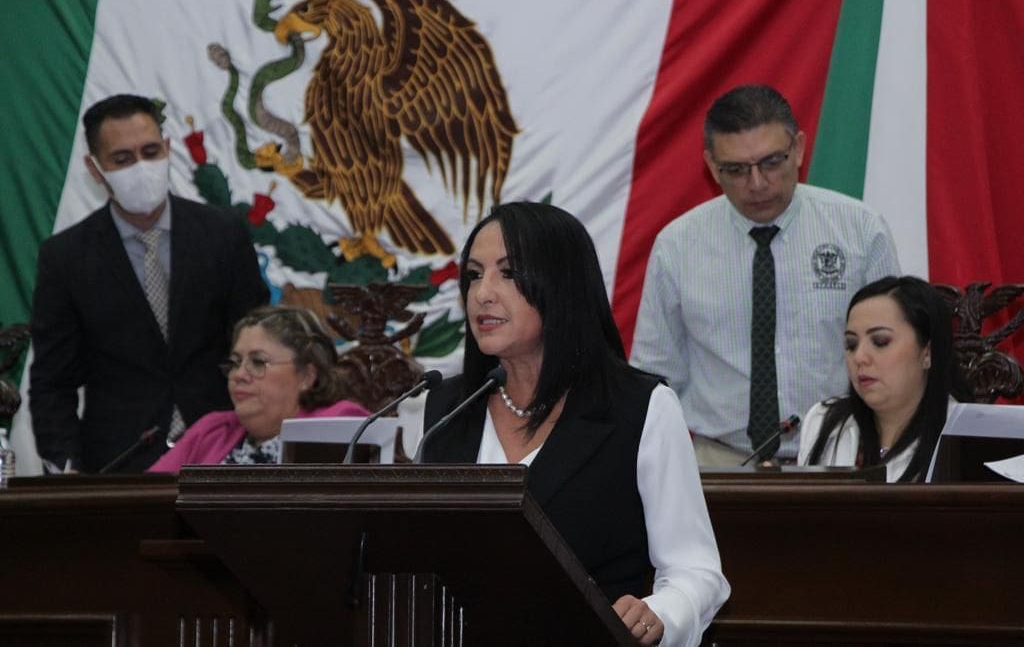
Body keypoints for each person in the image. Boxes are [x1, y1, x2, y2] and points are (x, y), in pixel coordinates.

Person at [421, 202, 729, 647]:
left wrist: (659, 613)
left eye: (508, 273)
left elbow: (695, 571)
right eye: (473, 274)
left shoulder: (639, 407)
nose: (482, 293)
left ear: (563, 284)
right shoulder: (447, 408)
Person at [630, 84, 900, 465]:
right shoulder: (677, 246)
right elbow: (654, 377)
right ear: (712, 166)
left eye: (772, 162)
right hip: (717, 460)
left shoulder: (860, 231)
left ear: (799, 149)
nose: (757, 184)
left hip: (840, 454)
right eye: (736, 170)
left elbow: (896, 357)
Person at [30, 94, 269, 473]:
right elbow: (52, 383)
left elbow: (261, 347)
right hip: (120, 463)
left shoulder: (224, 235)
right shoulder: (66, 257)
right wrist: (66, 470)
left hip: (223, 451)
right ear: (95, 169)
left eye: (150, 151)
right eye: (122, 159)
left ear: (168, 148)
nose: (141, 167)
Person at [150, 306, 368, 472]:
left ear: (306, 376)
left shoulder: (340, 425)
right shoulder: (212, 431)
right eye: (235, 362)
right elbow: (147, 500)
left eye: (258, 362)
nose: (238, 375)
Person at [798, 276, 964, 482]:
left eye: (880, 341)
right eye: (851, 345)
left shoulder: (964, 435)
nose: (859, 357)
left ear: (927, 352)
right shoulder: (823, 421)